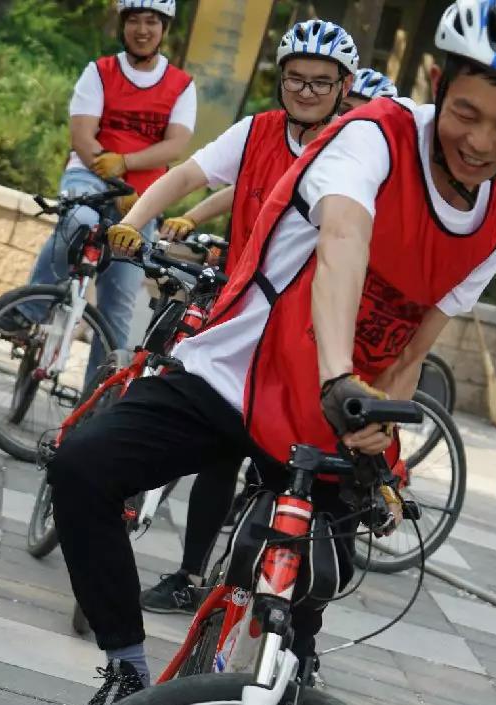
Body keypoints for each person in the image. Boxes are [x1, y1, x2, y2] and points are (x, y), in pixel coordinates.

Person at [48, 0, 496, 705]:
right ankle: (126, 671)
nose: (481, 141)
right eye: (468, 113)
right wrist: (339, 374)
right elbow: (342, 246)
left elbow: (415, 344)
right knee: (82, 465)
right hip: (241, 372)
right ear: (437, 84)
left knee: (297, 624)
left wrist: (378, 424)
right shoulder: (375, 135)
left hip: (333, 418)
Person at [103, 18, 360, 615]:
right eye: (295, 79)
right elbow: (188, 175)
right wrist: (134, 221)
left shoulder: (354, 153)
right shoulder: (258, 131)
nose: (306, 92)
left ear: (343, 86)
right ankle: (190, 575)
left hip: (303, 331)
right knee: (218, 448)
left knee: (285, 469)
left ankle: (271, 605)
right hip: (239, 312)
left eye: (321, 83)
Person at [1, 0, 196, 378]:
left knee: (118, 307)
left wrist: (126, 164)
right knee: (78, 220)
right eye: (134, 20)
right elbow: (82, 136)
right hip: (89, 175)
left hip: (143, 198)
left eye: (151, 22)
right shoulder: (100, 72)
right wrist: (113, 177)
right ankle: (25, 313)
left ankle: (96, 402)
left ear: (164, 28)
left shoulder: (181, 86)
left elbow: (175, 146)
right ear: (123, 25)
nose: (142, 30)